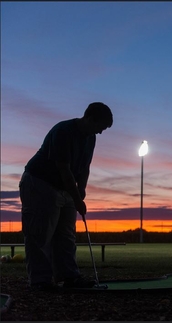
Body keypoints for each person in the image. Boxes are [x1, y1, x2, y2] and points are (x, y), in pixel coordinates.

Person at [19, 102, 113, 291]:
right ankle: (40, 281)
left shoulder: (91, 138)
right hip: (40, 183)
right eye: (99, 127)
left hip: (65, 188)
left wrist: (82, 191)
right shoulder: (63, 131)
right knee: (40, 233)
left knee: (66, 234)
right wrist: (77, 198)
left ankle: (69, 276)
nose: (100, 132)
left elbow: (84, 168)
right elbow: (64, 169)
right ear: (89, 118)